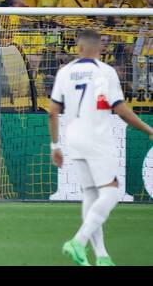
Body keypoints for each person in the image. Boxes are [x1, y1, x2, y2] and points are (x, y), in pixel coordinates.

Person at [50, 29, 153, 266]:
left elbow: (53, 112)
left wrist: (55, 145)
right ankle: (78, 240)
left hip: (73, 138)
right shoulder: (105, 72)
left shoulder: (65, 72)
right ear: (100, 49)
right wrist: (149, 130)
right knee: (112, 192)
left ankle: (102, 256)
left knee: (90, 195)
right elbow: (121, 109)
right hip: (96, 137)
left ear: (79, 47)